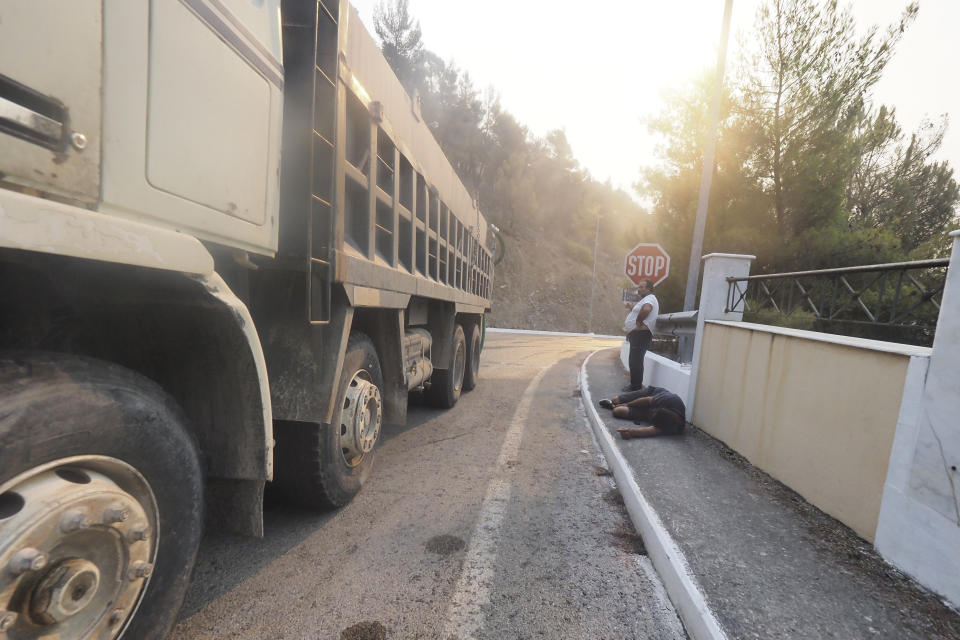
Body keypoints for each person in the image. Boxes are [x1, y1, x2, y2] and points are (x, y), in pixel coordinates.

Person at [598, 386, 685, 438]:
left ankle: (613, 406)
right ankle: (614, 403)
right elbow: (646, 400)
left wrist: (630, 432)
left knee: (617, 411)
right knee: (615, 400)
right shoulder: (671, 400)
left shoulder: (673, 428)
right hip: (649, 395)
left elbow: (651, 430)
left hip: (647, 413)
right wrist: (627, 404)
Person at [622, 279, 658, 391]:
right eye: (639, 287)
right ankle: (635, 385)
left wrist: (638, 321)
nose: (639, 289)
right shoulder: (646, 299)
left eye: (642, 287)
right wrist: (631, 307)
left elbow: (647, 309)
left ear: (649, 289)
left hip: (641, 333)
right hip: (638, 334)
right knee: (634, 360)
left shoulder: (650, 298)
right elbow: (642, 309)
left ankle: (636, 386)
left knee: (636, 361)